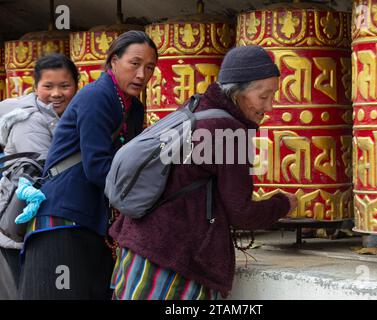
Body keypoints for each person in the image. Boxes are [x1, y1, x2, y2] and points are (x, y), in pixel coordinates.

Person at [109, 45, 298, 300]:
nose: (270, 106)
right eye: (263, 96)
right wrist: (283, 204)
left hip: (142, 248)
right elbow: (241, 212)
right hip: (171, 262)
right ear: (236, 93)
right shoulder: (228, 132)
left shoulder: (196, 108)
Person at [18, 30, 158, 300]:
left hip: (92, 222)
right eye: (135, 63)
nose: (142, 74)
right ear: (114, 61)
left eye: (150, 67)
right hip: (63, 220)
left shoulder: (133, 107)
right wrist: (143, 200)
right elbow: (97, 166)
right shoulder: (97, 97)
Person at [0, 53, 79, 299]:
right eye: (48, 86)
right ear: (35, 87)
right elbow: (43, 170)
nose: (56, 93)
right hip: (15, 227)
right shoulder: (30, 120)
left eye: (64, 86)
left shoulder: (57, 118)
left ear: (77, 85)